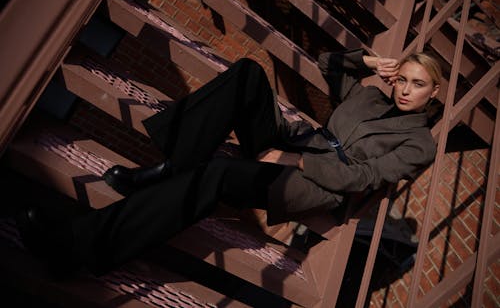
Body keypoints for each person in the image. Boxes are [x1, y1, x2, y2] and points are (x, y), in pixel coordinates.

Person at [16, 48, 441, 277]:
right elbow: (328, 64)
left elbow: (361, 177)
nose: (405, 90)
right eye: (402, 79)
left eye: (417, 84)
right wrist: (366, 63)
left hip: (315, 183)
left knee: (217, 173)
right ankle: (176, 168)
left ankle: (75, 248)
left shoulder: (419, 143)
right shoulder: (368, 95)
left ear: (433, 92)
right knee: (248, 73)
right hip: (299, 145)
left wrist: (293, 160)